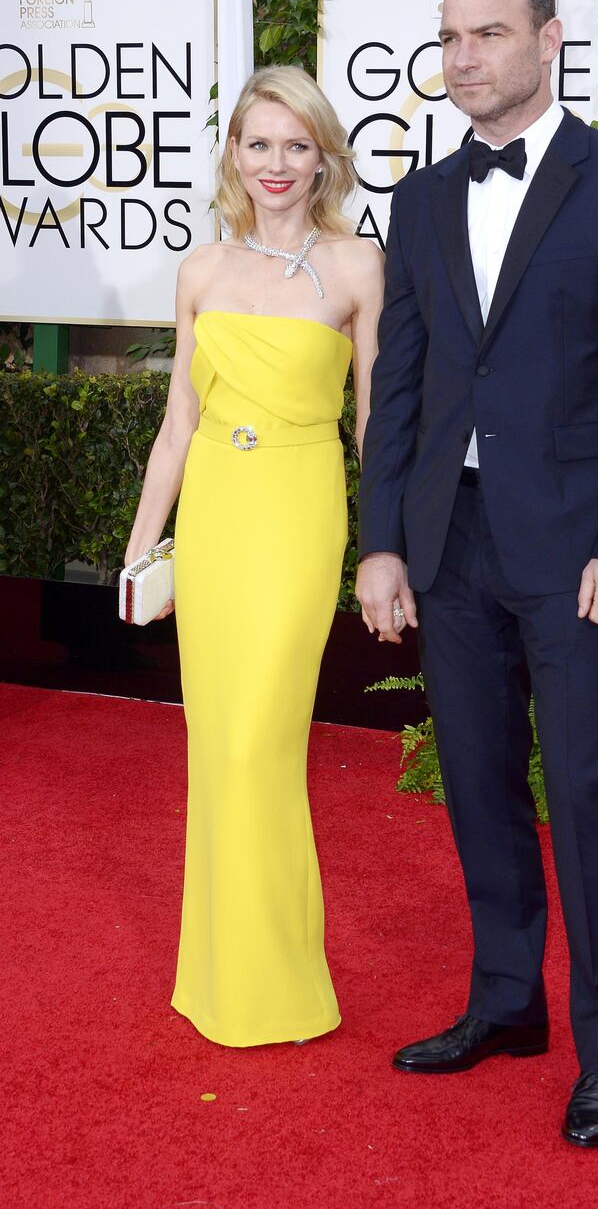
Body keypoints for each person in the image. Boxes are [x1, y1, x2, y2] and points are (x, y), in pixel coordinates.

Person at [356, 0, 598, 1146]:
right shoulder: (419, 198)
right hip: (449, 544)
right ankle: (506, 1001)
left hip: (574, 553)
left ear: (548, 40)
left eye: (487, 34)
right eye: (448, 38)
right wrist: (381, 542)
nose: (463, 58)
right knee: (478, 783)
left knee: (586, 793)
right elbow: (398, 384)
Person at [125, 66, 382, 1047]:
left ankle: (278, 982)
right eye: (256, 143)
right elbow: (178, 418)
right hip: (220, 519)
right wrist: (144, 545)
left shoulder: (358, 266)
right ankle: (225, 975)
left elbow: (372, 421)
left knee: (256, 744)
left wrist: (384, 543)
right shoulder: (201, 271)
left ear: (323, 156)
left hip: (295, 512)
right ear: (233, 152)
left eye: (295, 144)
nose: (275, 163)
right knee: (215, 746)